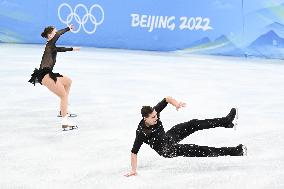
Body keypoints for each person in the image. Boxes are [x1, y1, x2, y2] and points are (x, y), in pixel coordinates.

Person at [125, 96, 247, 177]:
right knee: (200, 149)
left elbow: (166, 99)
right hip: (167, 150)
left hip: (169, 137)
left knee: (193, 123)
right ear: (145, 118)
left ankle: (226, 121)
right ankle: (236, 151)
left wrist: (176, 104)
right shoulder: (141, 132)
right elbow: (134, 152)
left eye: (156, 115)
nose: (156, 118)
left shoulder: (154, 113)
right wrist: (134, 170)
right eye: (153, 117)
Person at [28, 24, 80, 130]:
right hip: (46, 76)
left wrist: (72, 49)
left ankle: (63, 110)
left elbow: (59, 49)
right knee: (64, 96)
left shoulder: (51, 46)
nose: (56, 33)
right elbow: (59, 35)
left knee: (68, 81)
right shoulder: (50, 44)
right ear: (50, 35)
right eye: (54, 32)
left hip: (47, 74)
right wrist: (68, 28)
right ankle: (65, 121)